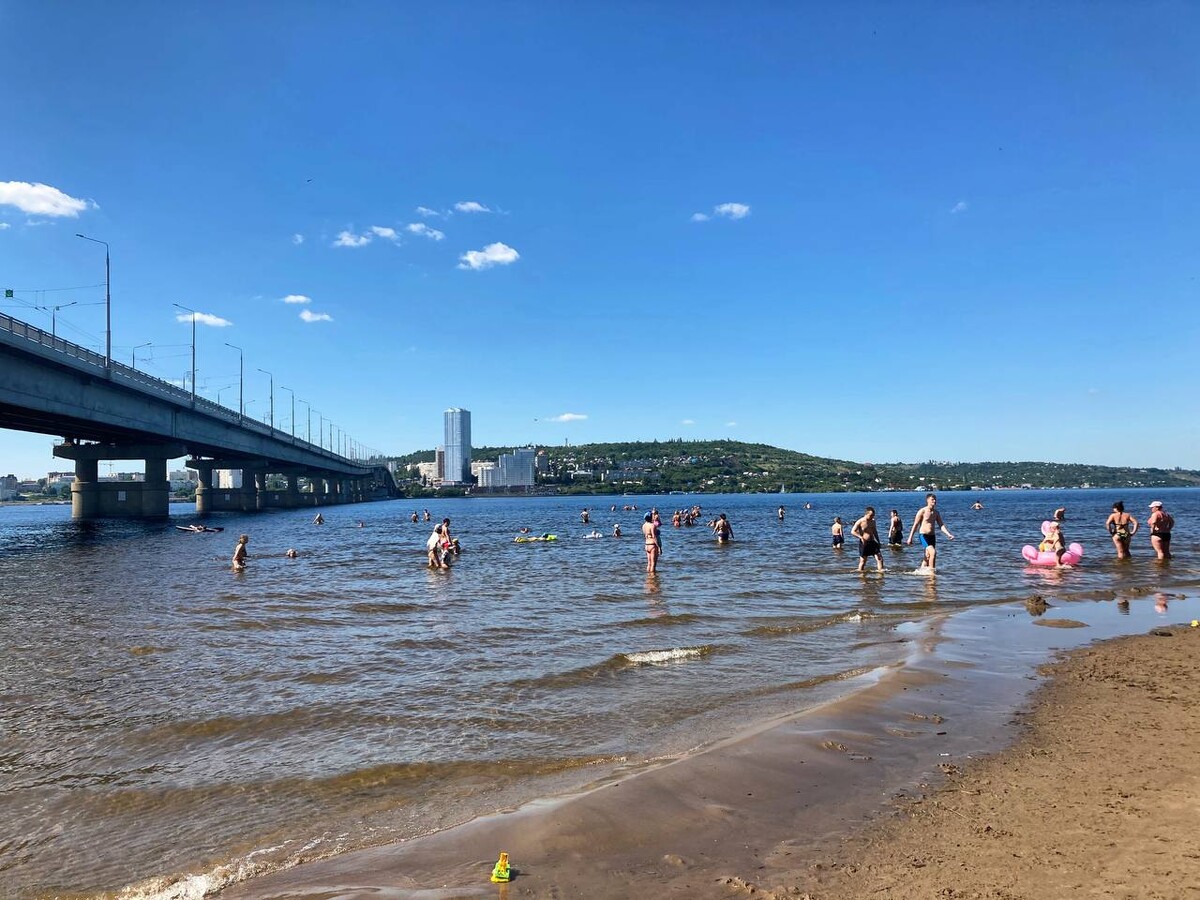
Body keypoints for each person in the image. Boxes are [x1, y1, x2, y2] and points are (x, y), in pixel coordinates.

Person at [907, 493, 954, 570]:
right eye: (932, 499)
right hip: (923, 535)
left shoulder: (936, 512)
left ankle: (921, 571)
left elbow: (941, 525)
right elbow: (915, 525)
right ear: (927, 500)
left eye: (935, 499)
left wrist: (948, 534)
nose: (934, 501)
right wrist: (910, 538)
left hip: (932, 536)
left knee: (928, 556)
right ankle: (932, 572)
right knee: (933, 552)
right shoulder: (922, 511)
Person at [850, 507, 885, 573]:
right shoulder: (860, 521)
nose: (872, 517)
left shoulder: (873, 521)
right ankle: (861, 575)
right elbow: (852, 531)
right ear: (866, 514)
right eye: (871, 515)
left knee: (880, 558)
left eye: (873, 515)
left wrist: (878, 541)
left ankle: (881, 573)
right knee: (863, 561)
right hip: (864, 543)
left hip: (872, 542)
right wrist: (861, 537)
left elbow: (875, 531)